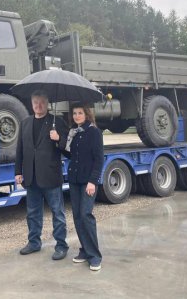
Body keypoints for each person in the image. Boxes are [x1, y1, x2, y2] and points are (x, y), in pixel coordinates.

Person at [15, 90, 69, 260]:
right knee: (32, 213)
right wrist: (18, 172)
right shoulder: (25, 123)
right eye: (35, 102)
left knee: (57, 213)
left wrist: (58, 138)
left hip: (50, 176)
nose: (38, 106)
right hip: (31, 177)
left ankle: (61, 245)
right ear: (32, 104)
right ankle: (34, 242)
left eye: (42, 103)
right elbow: (20, 150)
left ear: (47, 104)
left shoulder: (57, 122)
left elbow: (67, 148)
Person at [62, 103, 104, 271]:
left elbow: (99, 159)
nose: (77, 116)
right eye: (74, 113)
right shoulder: (74, 133)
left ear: (87, 114)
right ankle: (85, 250)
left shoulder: (94, 132)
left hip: (88, 181)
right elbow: (70, 155)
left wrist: (93, 181)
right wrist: (58, 141)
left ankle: (95, 255)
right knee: (78, 217)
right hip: (74, 180)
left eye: (80, 113)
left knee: (86, 215)